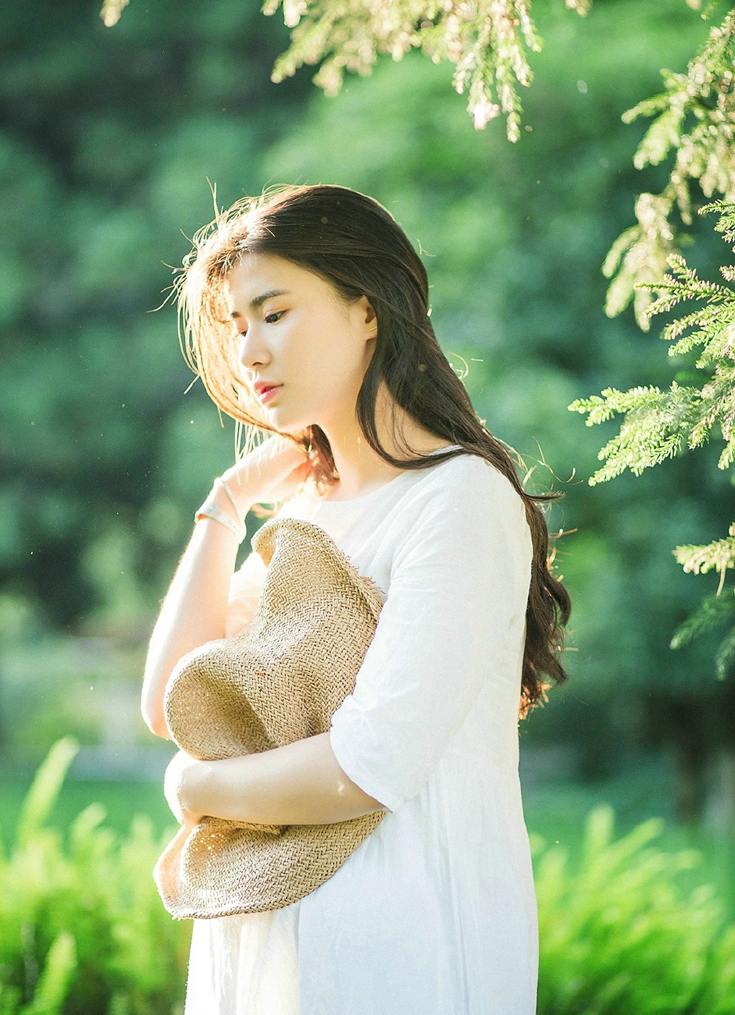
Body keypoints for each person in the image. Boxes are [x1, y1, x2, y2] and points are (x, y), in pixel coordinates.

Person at [140, 184, 570, 1015]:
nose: (250, 352)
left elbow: (373, 761)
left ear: (366, 310)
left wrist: (196, 790)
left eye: (274, 312)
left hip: (400, 948)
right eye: (236, 327)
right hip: (265, 940)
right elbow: (173, 701)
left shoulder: (459, 500)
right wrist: (223, 508)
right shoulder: (304, 516)